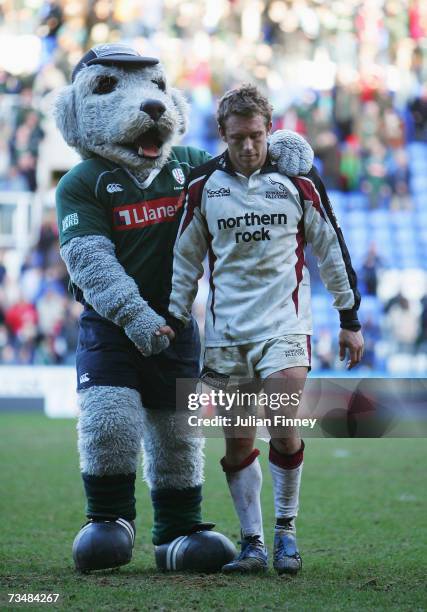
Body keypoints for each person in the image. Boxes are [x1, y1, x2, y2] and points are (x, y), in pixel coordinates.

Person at [165, 84, 364, 575]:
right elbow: (184, 261)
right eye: (237, 139)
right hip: (228, 334)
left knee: (283, 421)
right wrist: (171, 319)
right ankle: (252, 543)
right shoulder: (202, 186)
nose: (249, 147)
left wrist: (349, 317)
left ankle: (285, 533)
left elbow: (330, 247)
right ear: (223, 136)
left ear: (269, 130)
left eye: (256, 136)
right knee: (236, 443)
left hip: (285, 326)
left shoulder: (298, 179)